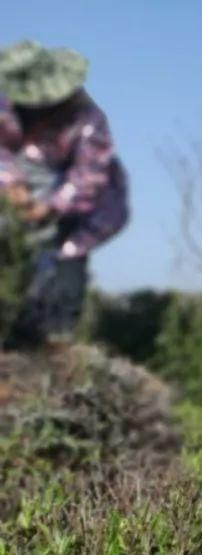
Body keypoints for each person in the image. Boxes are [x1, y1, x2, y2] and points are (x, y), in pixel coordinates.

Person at [0, 40, 129, 349]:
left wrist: (50, 207)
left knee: (65, 262)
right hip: (27, 192)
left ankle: (56, 337)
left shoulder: (88, 121)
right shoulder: (6, 105)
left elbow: (89, 178)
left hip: (86, 206)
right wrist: (11, 184)